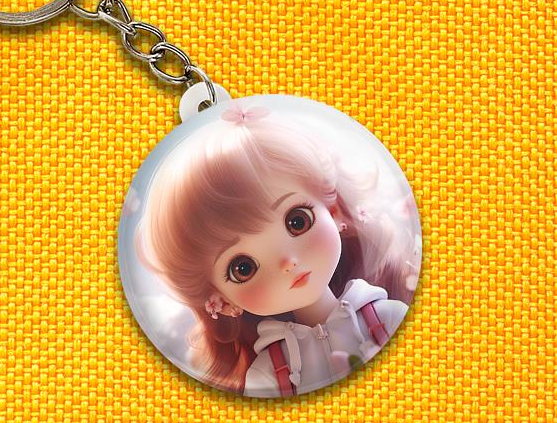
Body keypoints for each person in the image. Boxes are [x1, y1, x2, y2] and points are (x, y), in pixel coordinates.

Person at [135, 102, 417, 396]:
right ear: (221, 299)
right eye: (243, 268)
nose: (287, 262)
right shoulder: (267, 375)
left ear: (333, 211)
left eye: (297, 221)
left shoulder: (388, 318)